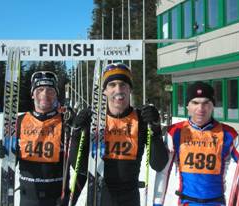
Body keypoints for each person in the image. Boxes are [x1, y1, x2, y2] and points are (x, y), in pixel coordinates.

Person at [69, 63, 169, 206]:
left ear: (130, 89)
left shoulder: (141, 120)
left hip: (129, 199)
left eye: (123, 84)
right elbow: (81, 167)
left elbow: (158, 164)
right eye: (112, 85)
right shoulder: (93, 121)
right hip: (98, 198)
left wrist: (155, 129)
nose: (118, 90)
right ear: (104, 90)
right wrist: (77, 132)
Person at [153, 81, 239, 206]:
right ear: (187, 106)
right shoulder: (174, 132)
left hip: (216, 203)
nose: (200, 108)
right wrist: (157, 203)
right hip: (186, 201)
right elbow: (163, 171)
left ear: (213, 105)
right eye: (195, 103)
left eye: (206, 103)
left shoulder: (228, 134)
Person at [0, 71, 71, 206]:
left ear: (56, 94)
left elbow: (79, 163)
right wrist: (7, 153)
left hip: (57, 199)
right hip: (28, 198)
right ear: (32, 94)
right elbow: (12, 164)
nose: (45, 94)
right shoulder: (19, 122)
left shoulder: (66, 122)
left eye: (50, 90)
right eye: (40, 89)